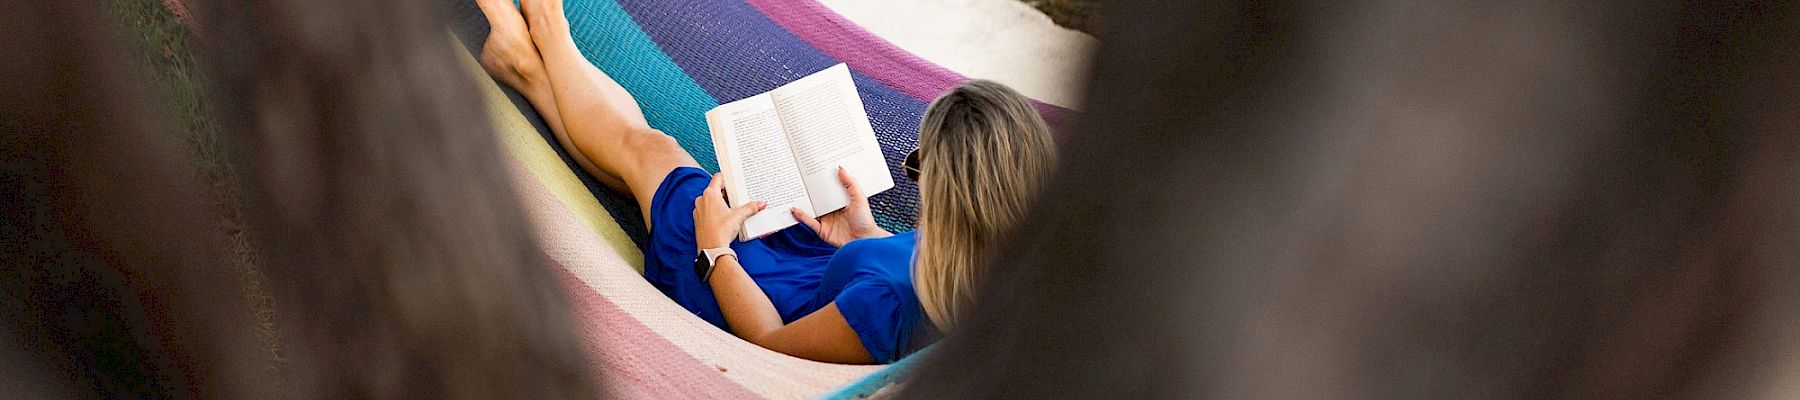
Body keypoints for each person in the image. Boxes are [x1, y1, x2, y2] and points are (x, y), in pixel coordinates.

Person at [475, 0, 1056, 364]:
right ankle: (523, 66)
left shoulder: (889, 305)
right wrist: (861, 233)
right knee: (655, 170)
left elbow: (772, 347)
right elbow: (899, 270)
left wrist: (714, 252)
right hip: (805, 267)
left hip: (745, 297)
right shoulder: (990, 257)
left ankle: (547, 30)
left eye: (919, 167)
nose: (915, 178)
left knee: (655, 155)